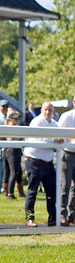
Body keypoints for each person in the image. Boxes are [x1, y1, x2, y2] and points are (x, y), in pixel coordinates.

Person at [24, 102, 66, 227]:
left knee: (51, 191)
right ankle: (29, 218)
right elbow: (37, 139)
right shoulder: (36, 122)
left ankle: (52, 218)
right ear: (41, 110)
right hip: (34, 161)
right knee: (33, 191)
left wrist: (60, 140)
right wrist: (54, 141)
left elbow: (59, 139)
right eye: (45, 110)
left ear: (53, 111)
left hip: (47, 163)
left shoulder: (54, 124)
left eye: (50, 110)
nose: (48, 112)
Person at [58, 94, 75, 225]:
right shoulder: (67, 116)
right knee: (65, 185)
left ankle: (72, 214)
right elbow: (59, 135)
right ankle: (62, 213)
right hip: (68, 154)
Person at [3, 108, 25, 200]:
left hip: (9, 151)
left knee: (14, 172)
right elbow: (10, 139)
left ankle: (16, 192)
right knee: (13, 172)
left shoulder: (9, 127)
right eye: (15, 119)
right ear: (10, 119)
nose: (17, 120)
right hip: (12, 151)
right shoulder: (11, 127)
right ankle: (10, 194)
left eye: (18, 119)